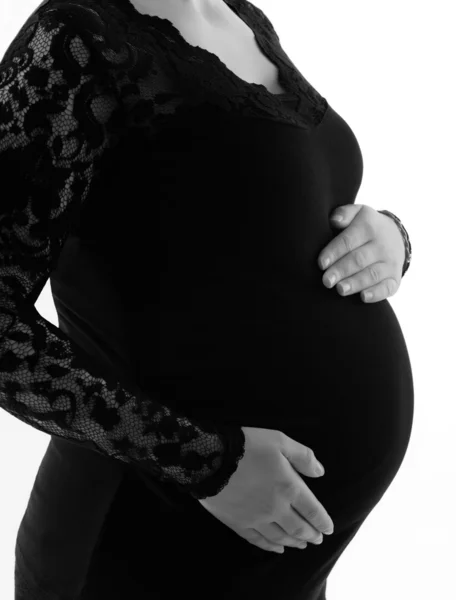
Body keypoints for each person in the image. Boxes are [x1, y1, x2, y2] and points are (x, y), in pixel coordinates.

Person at [0, 0, 414, 599]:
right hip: (145, 541)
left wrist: (391, 238)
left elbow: (262, 226)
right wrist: (205, 460)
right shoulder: (78, 39)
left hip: (280, 558)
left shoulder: (244, 19)